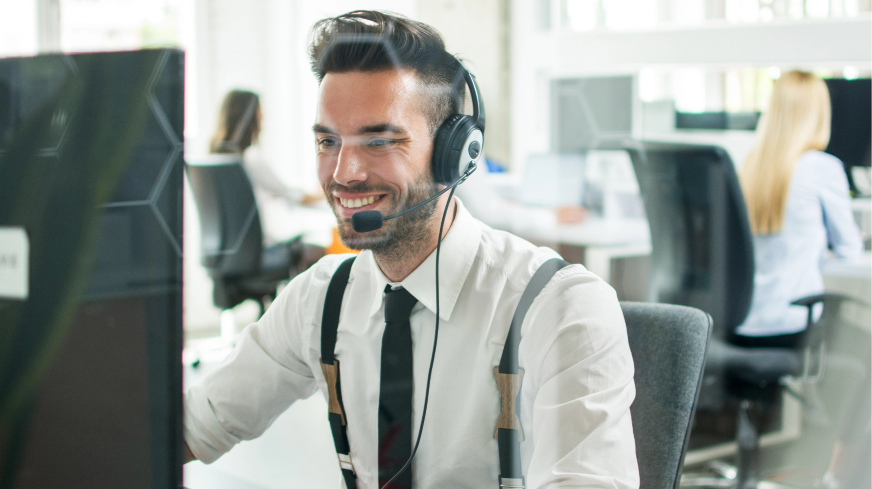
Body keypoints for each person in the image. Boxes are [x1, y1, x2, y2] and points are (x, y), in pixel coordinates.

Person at [184, 11, 638, 489]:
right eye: (327, 141)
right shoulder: (318, 299)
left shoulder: (561, 308)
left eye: (379, 140)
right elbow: (193, 426)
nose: (344, 172)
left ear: (454, 153)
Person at [734, 70, 863, 346]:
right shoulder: (821, 167)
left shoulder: (750, 165)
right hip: (792, 323)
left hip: (742, 322)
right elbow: (849, 248)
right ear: (819, 114)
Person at [210, 89, 324, 245]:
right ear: (248, 118)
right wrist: (325, 194)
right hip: (257, 249)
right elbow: (294, 196)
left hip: (226, 251)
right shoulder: (250, 161)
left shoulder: (217, 160)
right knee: (318, 250)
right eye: (259, 112)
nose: (263, 117)